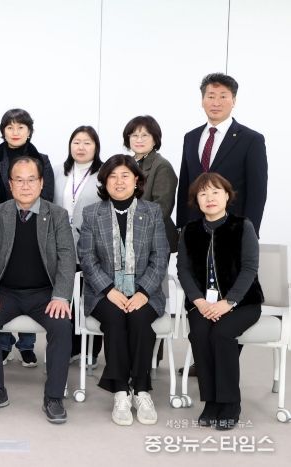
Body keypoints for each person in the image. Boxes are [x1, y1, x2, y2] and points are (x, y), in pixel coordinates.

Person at [0, 156, 75, 423]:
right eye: (19, 180)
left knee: (62, 325)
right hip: (5, 292)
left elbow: (67, 257)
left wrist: (61, 296)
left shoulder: (57, 215)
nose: (25, 185)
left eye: (31, 180)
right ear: (10, 184)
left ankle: (54, 396)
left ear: (41, 183)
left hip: (45, 294)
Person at [78, 154, 169, 426]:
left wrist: (143, 292)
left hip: (145, 291)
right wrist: (108, 289)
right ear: (104, 181)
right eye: (113, 176)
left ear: (137, 180)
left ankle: (141, 390)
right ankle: (120, 391)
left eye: (125, 176)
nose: (119, 182)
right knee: (116, 319)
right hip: (103, 292)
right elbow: (87, 257)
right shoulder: (92, 213)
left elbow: (160, 257)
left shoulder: (152, 212)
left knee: (140, 320)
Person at [177, 173, 262, 431]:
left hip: (242, 303)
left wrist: (229, 302)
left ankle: (230, 402)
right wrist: (199, 301)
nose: (209, 198)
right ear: (197, 201)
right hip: (202, 303)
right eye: (203, 194)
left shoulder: (243, 226)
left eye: (215, 192)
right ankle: (211, 401)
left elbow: (249, 269)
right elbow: (183, 270)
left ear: (227, 195)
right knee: (200, 334)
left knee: (222, 334)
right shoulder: (190, 231)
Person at [0, 108, 56, 367]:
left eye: (20, 127)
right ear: (3, 131)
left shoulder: (42, 160)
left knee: (30, 280)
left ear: (29, 131)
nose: (15, 132)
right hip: (0, 227)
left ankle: (26, 345)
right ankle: (3, 344)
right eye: (10, 127)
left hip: (34, 228)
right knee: (4, 282)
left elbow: (47, 196)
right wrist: (5, 218)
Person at [177, 73, 267, 236]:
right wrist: (182, 227)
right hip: (194, 229)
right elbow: (185, 186)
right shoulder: (191, 137)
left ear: (234, 101)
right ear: (202, 100)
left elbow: (257, 192)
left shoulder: (251, 140)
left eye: (223, 96)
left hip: (233, 229)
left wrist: (250, 233)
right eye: (211, 96)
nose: (216, 103)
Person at [55, 126, 104, 367]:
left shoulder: (104, 174)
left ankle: (91, 350)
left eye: (87, 142)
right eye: (76, 142)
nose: (81, 147)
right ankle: (70, 347)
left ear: (96, 147)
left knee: (90, 296)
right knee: (67, 297)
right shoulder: (58, 172)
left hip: (92, 244)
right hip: (61, 244)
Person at [123, 115, 178, 252]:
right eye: (134, 135)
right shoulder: (125, 164)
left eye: (145, 135)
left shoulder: (162, 166)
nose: (139, 140)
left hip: (153, 239)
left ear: (155, 139)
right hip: (126, 236)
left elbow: (161, 208)